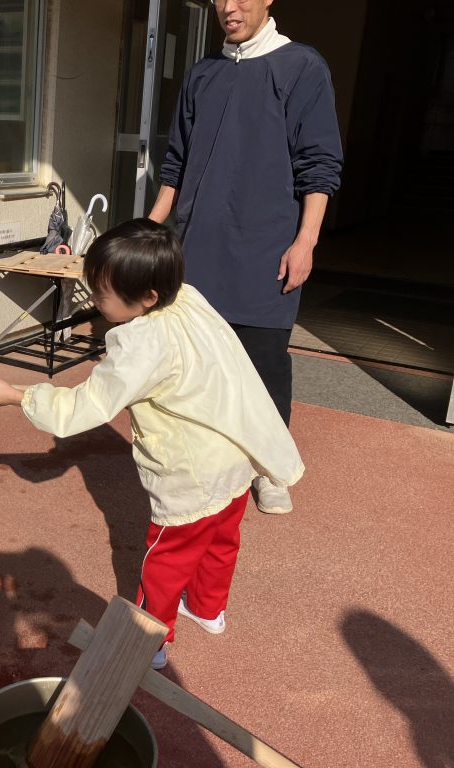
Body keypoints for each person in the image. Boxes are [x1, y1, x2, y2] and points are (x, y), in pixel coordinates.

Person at [0, 218, 304, 669]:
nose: (95, 300)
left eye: (101, 294)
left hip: (190, 473)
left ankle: (151, 639)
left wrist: (19, 396)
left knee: (165, 557)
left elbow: (85, 406)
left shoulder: (140, 343)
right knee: (221, 540)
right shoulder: (187, 297)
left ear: (146, 297)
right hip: (234, 455)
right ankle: (209, 610)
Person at [148, 0, 343, 515]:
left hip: (268, 244)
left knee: (264, 360)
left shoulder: (301, 66)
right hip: (197, 242)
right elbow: (177, 159)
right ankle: (206, 455)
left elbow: (320, 163)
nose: (228, 8)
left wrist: (306, 241)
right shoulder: (204, 73)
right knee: (195, 358)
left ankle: (270, 467)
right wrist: (152, 228)